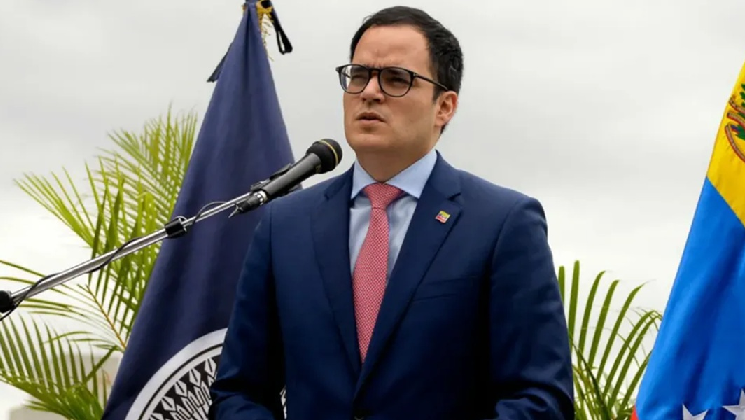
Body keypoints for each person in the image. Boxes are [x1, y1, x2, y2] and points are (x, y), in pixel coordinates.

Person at [208, 5, 574, 420]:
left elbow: (539, 398)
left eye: (397, 79)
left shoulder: (503, 223)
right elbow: (239, 391)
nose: (369, 92)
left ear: (444, 107)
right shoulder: (284, 226)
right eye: (358, 75)